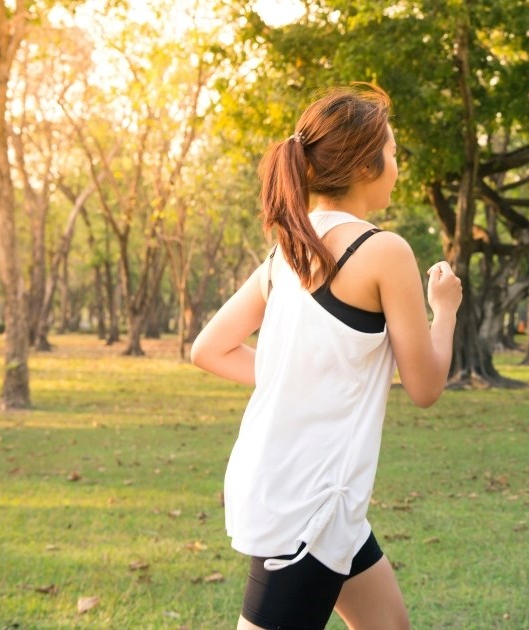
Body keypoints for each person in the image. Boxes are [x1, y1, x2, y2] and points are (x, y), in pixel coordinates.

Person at [190, 83, 461, 630]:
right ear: (365, 165)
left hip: (318, 497)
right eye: (392, 153)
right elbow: (426, 385)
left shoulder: (288, 250)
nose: (397, 166)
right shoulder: (383, 250)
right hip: (306, 505)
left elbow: (209, 349)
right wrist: (446, 308)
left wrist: (301, 379)